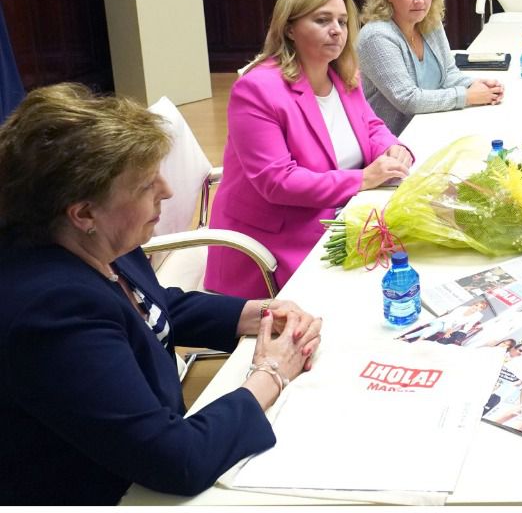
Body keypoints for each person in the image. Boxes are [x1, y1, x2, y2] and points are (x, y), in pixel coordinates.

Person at [0, 84, 322, 504]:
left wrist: (255, 313)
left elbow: (150, 304)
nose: (167, 191)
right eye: (145, 185)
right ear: (83, 213)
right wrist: (271, 374)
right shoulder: (52, 313)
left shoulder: (101, 241)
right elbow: (177, 459)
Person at [205, 0, 412, 299]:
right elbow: (278, 181)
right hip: (277, 240)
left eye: (342, 21)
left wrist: (392, 148)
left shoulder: (342, 75)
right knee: (388, 282)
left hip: (339, 214)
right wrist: (363, 179)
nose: (337, 31)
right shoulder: (257, 89)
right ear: (289, 28)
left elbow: (371, 126)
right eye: (322, 20)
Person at [357, 0, 504, 135]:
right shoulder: (376, 36)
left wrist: (476, 85)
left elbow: (448, 73)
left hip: (431, 123)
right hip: (392, 139)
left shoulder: (430, 23)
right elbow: (408, 100)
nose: (420, 0)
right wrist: (467, 96)